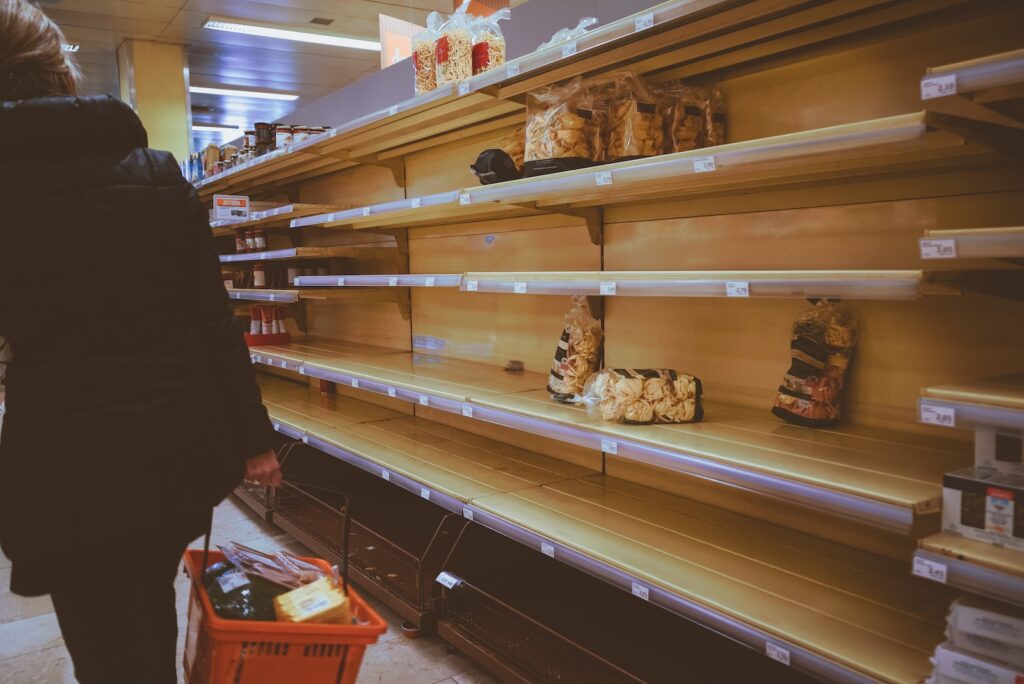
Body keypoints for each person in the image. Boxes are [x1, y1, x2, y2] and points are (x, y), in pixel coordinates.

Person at [0, 0, 282, 681]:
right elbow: (212, 322)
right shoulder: (157, 174)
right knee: (147, 607)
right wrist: (254, 439)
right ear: (62, 70)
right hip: (169, 455)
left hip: (62, 470)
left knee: (102, 644)